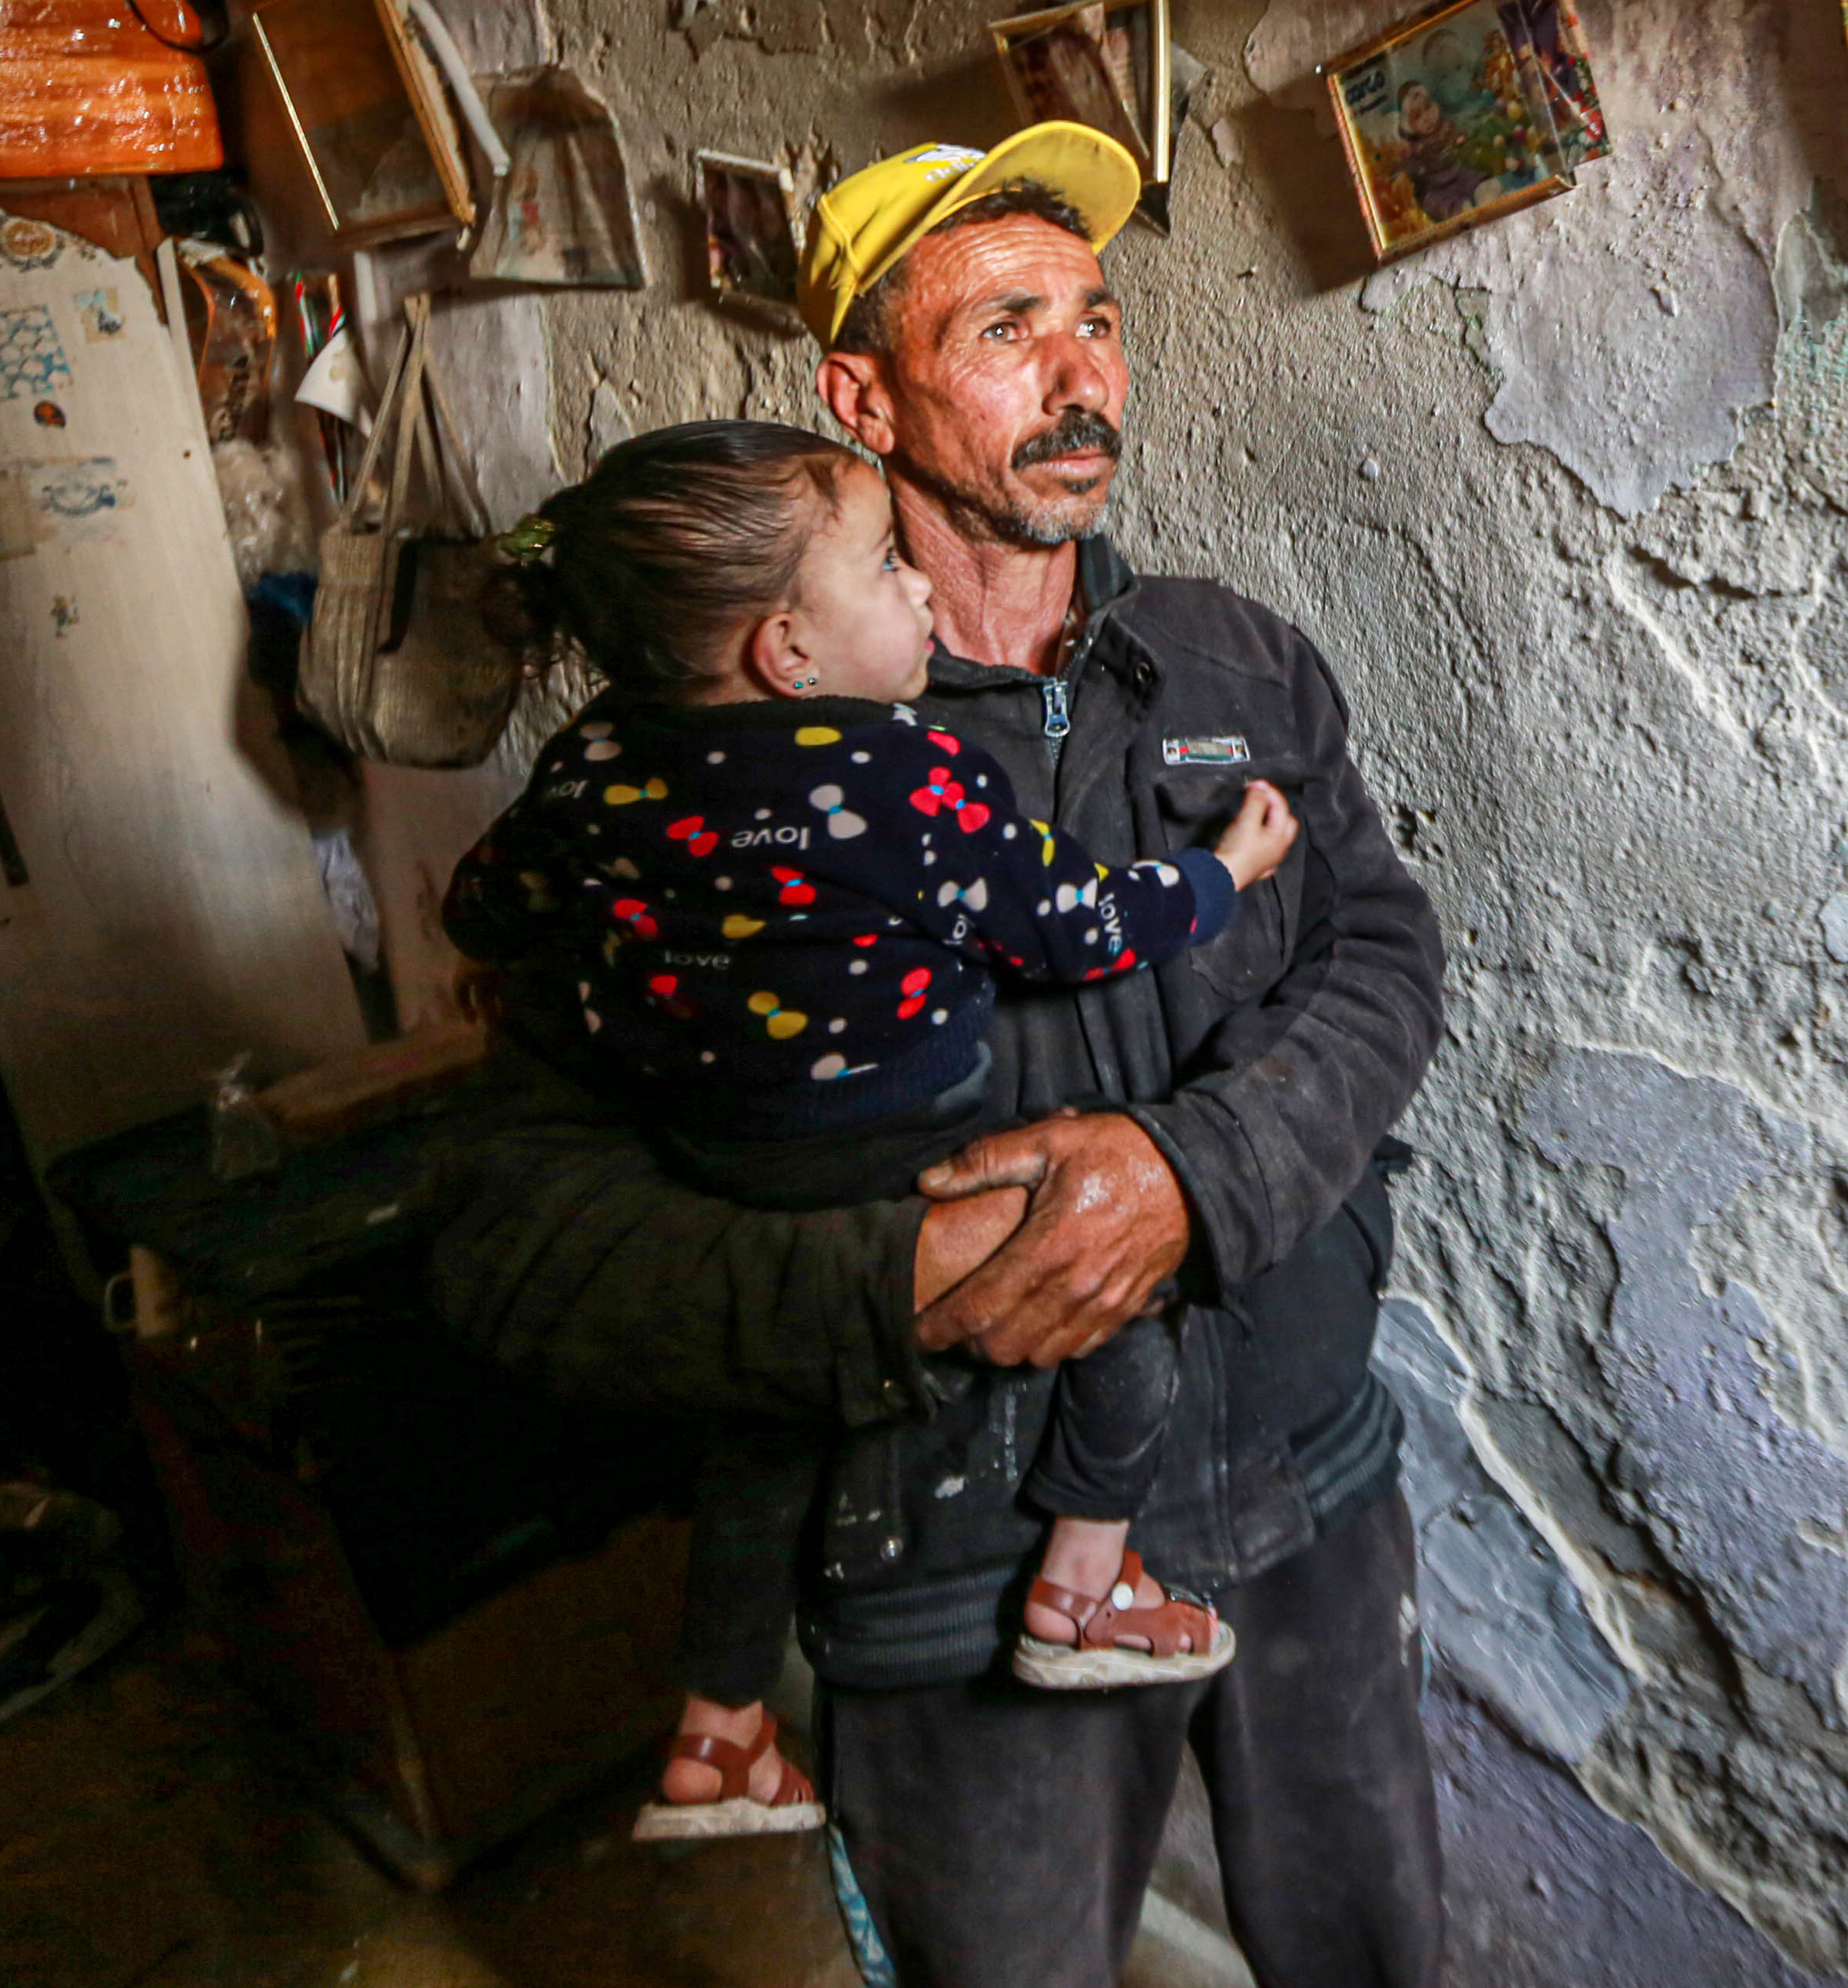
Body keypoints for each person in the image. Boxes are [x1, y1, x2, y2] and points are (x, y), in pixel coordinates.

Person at [428, 121, 1448, 1988]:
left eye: (1099, 320)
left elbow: (1382, 947)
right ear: (862, 397)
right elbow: (520, 1235)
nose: (1082, 377)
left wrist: (1190, 1177)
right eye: (1005, 328)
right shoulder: (712, 765)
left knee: (1376, 1952)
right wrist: (886, 1283)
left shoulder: (1232, 664)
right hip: (943, 1563)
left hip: (1303, 1476)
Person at [443, 419, 1305, 1843]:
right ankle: (1087, 1584)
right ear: (788, 651)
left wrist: (520, 950)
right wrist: (1219, 872)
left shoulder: (592, 756)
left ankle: (719, 1731)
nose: (916, 593)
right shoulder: (899, 773)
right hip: (906, 1145)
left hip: (718, 1154)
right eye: (885, 568)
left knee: (763, 1434)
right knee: (1129, 1293)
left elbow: (493, 900)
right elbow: (1072, 927)